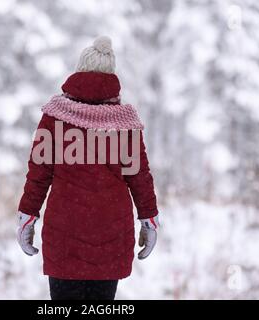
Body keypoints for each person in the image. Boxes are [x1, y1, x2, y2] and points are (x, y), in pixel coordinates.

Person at [17, 36, 160, 300]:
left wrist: (27, 214)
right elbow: (140, 177)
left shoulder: (54, 116)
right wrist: (149, 219)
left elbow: (38, 173)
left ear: (79, 70)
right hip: (111, 235)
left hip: (64, 234)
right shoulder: (125, 123)